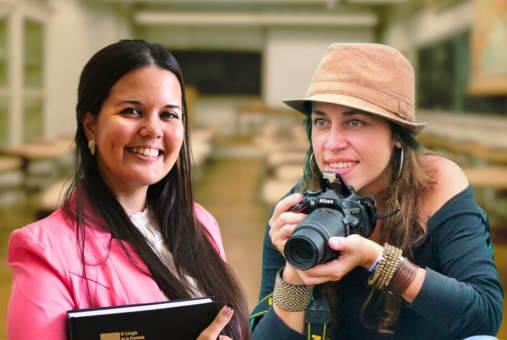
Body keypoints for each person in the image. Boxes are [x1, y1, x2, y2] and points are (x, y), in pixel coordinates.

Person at [250, 44, 503, 340]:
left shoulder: (435, 186)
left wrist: (378, 260)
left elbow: (485, 317)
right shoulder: (297, 209)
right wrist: (296, 272)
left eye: (354, 122)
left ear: (397, 135)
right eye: (321, 121)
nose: (332, 143)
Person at [7, 40, 250, 340]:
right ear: (90, 125)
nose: (154, 129)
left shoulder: (200, 223)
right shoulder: (46, 251)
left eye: (169, 114)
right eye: (132, 111)